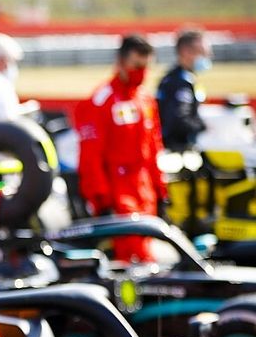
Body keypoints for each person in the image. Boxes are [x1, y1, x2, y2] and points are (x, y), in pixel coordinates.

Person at [75, 34, 166, 262]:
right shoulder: (101, 101)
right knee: (136, 257)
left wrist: (161, 189)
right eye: (136, 66)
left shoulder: (146, 100)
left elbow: (154, 148)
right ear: (121, 62)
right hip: (117, 191)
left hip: (145, 189)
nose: (141, 72)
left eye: (146, 67)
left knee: (150, 250)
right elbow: (90, 156)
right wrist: (101, 200)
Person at [156, 29, 211, 152]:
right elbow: (180, 120)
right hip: (176, 149)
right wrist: (205, 127)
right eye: (202, 52)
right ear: (186, 52)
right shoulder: (178, 82)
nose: (207, 57)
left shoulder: (184, 78)